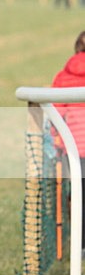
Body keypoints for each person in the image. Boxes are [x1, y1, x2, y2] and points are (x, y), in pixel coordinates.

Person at [51, 31, 85, 252]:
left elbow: (55, 113)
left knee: (78, 194)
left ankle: (80, 244)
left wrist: (56, 140)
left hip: (74, 146)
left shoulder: (63, 76)